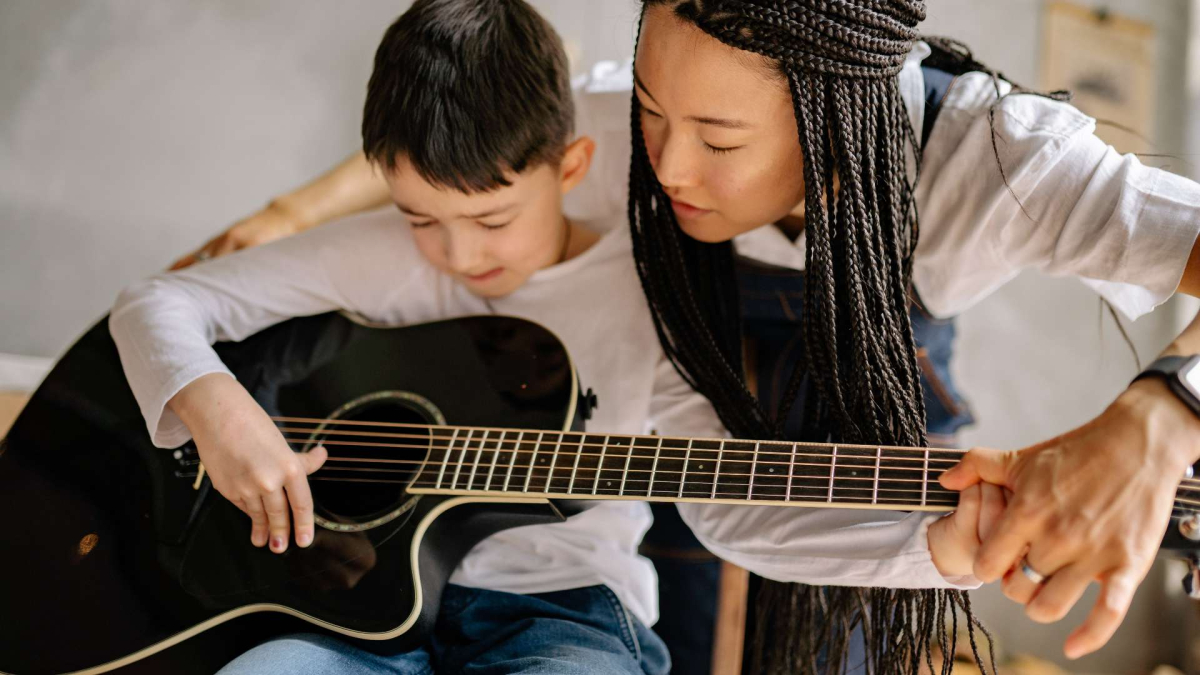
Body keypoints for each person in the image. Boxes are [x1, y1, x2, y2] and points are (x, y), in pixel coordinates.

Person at [113, 1, 996, 673]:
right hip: (343, 610)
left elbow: (733, 503)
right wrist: (218, 406)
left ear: (571, 167)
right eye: (420, 216)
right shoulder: (383, 256)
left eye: (493, 219)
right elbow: (156, 304)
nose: (459, 254)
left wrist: (924, 549)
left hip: (564, 612)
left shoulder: (656, 291)